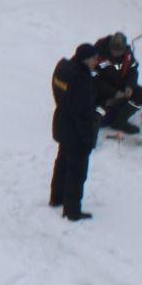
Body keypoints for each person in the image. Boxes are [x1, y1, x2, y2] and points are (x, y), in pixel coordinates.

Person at [50, 42, 104, 221]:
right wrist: (88, 136)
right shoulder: (81, 80)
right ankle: (72, 211)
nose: (97, 61)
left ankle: (56, 198)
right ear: (86, 59)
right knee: (77, 171)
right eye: (95, 58)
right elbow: (82, 112)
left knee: (62, 163)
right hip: (76, 131)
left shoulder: (63, 69)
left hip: (62, 123)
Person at [92, 31, 142, 136]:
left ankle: (120, 120)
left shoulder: (127, 54)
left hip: (121, 84)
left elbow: (133, 69)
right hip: (101, 90)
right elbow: (94, 78)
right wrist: (113, 93)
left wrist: (129, 86)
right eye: (114, 50)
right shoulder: (98, 53)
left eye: (119, 51)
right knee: (98, 111)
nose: (116, 53)